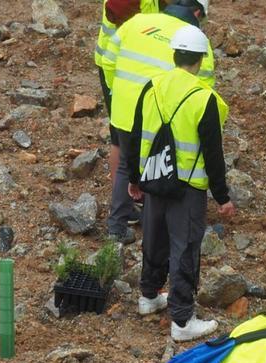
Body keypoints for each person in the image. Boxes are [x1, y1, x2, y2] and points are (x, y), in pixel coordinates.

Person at [126, 25, 234, 342]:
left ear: (174, 55)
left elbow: (133, 137)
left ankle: (148, 296)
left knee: (154, 238)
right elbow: (214, 154)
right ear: (199, 60)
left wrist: (135, 179)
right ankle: (183, 321)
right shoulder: (205, 99)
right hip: (187, 188)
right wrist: (222, 196)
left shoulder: (151, 87)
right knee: (184, 248)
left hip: (155, 178)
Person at [103, 0, 213, 245]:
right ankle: (159, 226)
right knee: (161, 162)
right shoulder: (194, 39)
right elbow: (204, 87)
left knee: (125, 164)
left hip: (124, 107)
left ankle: (116, 226)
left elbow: (108, 61)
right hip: (160, 114)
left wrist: (119, 91)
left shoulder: (137, 21)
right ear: (196, 13)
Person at [93, 0, 161, 242]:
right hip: (123, 64)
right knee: (123, 139)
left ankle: (126, 201)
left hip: (127, 62)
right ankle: (122, 209)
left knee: (121, 138)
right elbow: (118, 12)